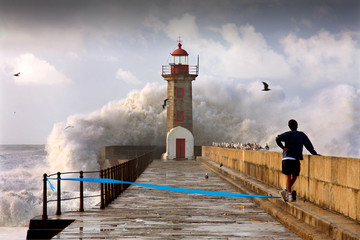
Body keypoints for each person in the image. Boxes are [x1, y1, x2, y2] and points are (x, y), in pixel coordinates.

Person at [276, 119, 318, 202]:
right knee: (294, 176)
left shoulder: (287, 134)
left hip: (286, 158)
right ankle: (289, 193)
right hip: (295, 159)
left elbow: (277, 138)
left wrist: (283, 147)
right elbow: (308, 145)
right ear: (297, 126)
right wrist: (315, 154)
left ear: (289, 126)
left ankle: (286, 191)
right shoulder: (301, 135)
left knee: (288, 176)